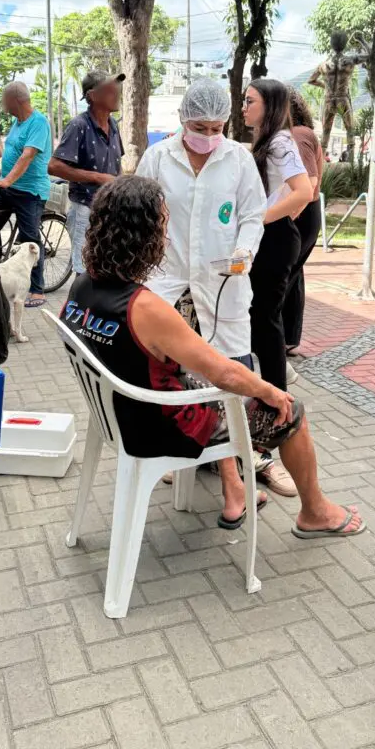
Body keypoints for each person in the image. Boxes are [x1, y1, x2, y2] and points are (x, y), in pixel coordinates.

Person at [61, 174, 364, 537]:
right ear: (144, 236)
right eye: (162, 224)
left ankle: (234, 489)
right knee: (289, 411)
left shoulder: (81, 286)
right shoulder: (145, 307)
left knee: (209, 382)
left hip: (118, 412)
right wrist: (270, 391)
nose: (166, 235)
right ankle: (314, 512)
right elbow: (226, 374)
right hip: (160, 426)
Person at [136, 79, 297, 503]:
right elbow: (139, 215)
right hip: (168, 282)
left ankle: (252, 461)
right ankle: (191, 458)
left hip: (223, 281)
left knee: (232, 373)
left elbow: (252, 212)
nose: (208, 136)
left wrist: (245, 249)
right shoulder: (157, 158)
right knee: (178, 377)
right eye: (199, 127)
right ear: (182, 121)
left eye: (216, 128)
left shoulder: (238, 159)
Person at [242, 82, 321, 404]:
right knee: (260, 316)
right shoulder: (267, 139)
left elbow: (304, 191)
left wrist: (259, 220)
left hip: (275, 239)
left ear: (270, 106)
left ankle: (276, 399)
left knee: (265, 318)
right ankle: (269, 392)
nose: (244, 106)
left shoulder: (280, 141)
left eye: (250, 101)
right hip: (270, 236)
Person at [0, 82, 52, 307]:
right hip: (7, 186)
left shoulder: (38, 122)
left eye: (5, 101)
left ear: (16, 100)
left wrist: (7, 180)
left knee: (29, 239)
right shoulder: (17, 123)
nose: (3, 106)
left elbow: (27, 155)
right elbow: (13, 154)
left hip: (29, 190)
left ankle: (37, 290)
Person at [48, 70, 124, 275]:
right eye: (110, 90)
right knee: (85, 272)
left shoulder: (114, 125)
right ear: (92, 95)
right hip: (84, 210)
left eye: (116, 89)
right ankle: (80, 307)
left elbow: (117, 166)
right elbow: (54, 166)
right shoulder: (79, 125)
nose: (116, 94)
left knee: (108, 268)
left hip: (110, 211)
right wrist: (97, 177)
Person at [283, 88, 323, 356]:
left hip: (300, 214)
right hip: (305, 213)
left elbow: (308, 184)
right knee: (292, 276)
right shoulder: (297, 134)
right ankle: (288, 338)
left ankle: (279, 338)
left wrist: (280, 217)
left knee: (282, 275)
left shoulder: (297, 135)